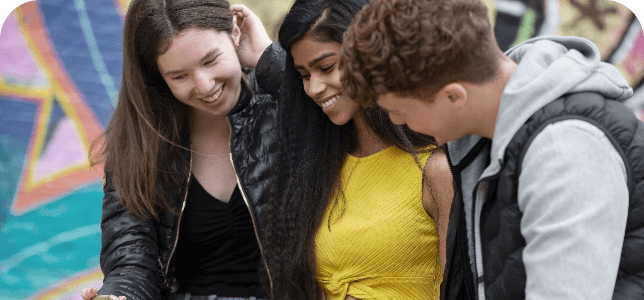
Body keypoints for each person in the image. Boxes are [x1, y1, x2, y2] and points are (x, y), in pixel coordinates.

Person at [340, 0, 644, 299]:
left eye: (398, 110)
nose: (396, 122)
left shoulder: (564, 152)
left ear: (453, 97)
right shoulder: (490, 138)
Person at [231, 1, 454, 299]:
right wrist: (265, 57)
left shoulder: (434, 168)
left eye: (326, 67)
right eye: (304, 75)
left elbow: (462, 286)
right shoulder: (324, 164)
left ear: (373, 55)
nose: (314, 88)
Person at [80, 0, 279, 299]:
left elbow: (347, 108)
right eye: (179, 76)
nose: (204, 85)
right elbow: (130, 255)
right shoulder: (140, 139)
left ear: (235, 31)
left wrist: (270, 59)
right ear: (158, 76)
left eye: (211, 60)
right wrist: (120, 295)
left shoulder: (283, 101)